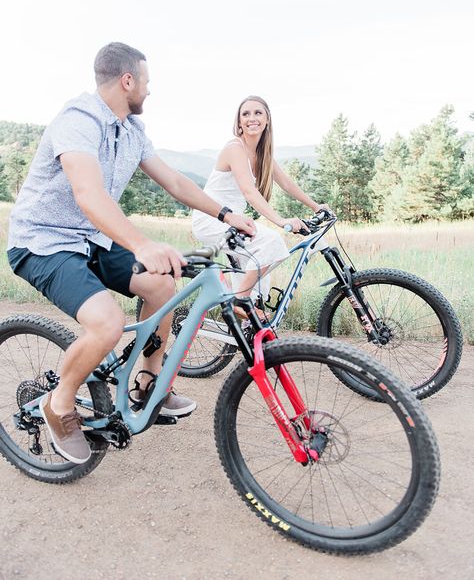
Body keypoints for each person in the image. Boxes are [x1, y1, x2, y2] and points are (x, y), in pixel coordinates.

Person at [7, 42, 256, 465]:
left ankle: (146, 383)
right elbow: (88, 193)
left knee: (163, 287)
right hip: (43, 242)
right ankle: (59, 403)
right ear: (128, 81)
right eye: (146, 82)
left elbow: (174, 180)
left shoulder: (131, 130)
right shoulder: (79, 120)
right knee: (107, 323)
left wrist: (226, 213)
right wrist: (142, 243)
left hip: (94, 241)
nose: (148, 90)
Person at [192, 96, 329, 317]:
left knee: (261, 283)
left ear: (267, 120)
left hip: (234, 222)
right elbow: (248, 191)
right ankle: (239, 302)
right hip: (212, 219)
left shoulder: (261, 154)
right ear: (238, 122)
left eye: (258, 113)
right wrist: (281, 221)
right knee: (272, 242)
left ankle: (245, 333)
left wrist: (315, 206)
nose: (251, 118)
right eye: (245, 114)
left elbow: (286, 182)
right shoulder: (234, 148)